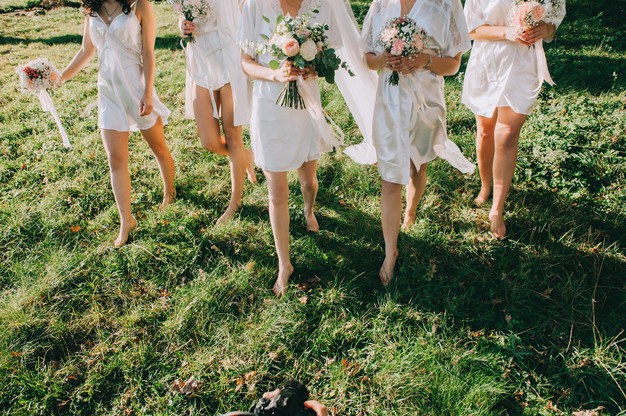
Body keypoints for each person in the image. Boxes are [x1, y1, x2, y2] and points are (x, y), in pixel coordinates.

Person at [239, 0, 377, 296]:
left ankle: (309, 208)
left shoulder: (320, 5)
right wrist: (276, 74)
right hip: (269, 106)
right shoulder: (254, 5)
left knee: (308, 180)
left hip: (305, 105)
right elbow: (246, 62)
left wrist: (314, 67)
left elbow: (330, 53)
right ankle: (283, 264)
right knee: (276, 192)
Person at [352, 0, 474, 285]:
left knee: (417, 166)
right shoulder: (381, 4)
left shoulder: (445, 4)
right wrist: (383, 60)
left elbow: (454, 64)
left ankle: (411, 210)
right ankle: (390, 251)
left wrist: (425, 60)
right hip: (391, 100)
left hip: (426, 101)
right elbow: (367, 58)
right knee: (391, 176)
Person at [57, 0, 176, 247]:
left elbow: (148, 52)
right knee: (116, 160)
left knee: (158, 147)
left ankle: (170, 191)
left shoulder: (140, 5)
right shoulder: (91, 10)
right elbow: (85, 51)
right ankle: (126, 219)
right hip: (108, 93)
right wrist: (59, 78)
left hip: (137, 89)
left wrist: (148, 92)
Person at [462, 0, 566, 239]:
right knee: (486, 131)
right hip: (488, 61)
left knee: (506, 135)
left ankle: (497, 209)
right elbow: (470, 28)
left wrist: (547, 29)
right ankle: (486, 185)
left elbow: (555, 17)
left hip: (522, 64)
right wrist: (507, 32)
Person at [179, 0, 256, 225]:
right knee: (209, 141)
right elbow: (183, 16)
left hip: (228, 57)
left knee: (233, 135)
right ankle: (244, 156)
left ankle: (235, 201)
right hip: (201, 61)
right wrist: (183, 26)